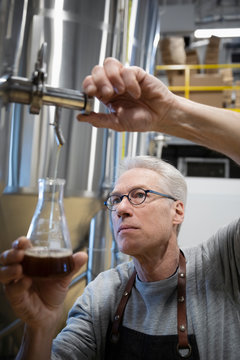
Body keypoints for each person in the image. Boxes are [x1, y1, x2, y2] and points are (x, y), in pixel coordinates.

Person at [0, 57, 239, 360]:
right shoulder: (104, 294)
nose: (122, 209)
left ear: (177, 211)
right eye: (115, 200)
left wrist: (168, 113)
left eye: (139, 195)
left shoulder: (224, 264)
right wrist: (41, 326)